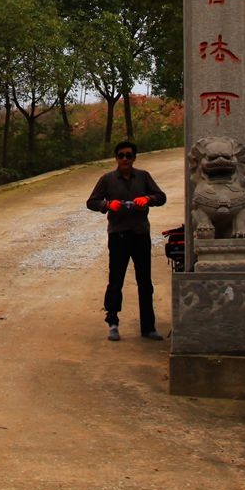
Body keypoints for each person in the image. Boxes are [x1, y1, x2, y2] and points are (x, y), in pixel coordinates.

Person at [85, 140, 167, 341]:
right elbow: (91, 202)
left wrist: (148, 200)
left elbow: (161, 196)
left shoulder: (144, 176)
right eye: (121, 155)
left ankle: (148, 327)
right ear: (116, 158)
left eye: (128, 155)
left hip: (140, 234)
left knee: (145, 282)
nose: (124, 159)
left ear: (134, 158)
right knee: (116, 280)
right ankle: (112, 322)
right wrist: (107, 204)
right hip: (118, 235)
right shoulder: (108, 179)